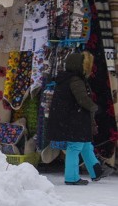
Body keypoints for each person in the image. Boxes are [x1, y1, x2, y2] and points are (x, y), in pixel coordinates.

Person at [47, 51, 112, 185]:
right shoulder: (75, 80)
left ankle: (96, 172)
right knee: (75, 147)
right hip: (74, 119)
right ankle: (71, 177)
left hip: (74, 118)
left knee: (86, 145)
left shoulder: (68, 78)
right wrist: (94, 107)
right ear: (80, 66)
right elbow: (82, 99)